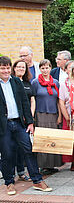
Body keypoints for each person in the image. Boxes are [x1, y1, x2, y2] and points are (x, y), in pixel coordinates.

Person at [0, 56, 52, 195]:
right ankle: (9, 182)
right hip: (3, 126)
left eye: (7, 68)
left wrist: (30, 122)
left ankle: (37, 180)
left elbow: (25, 102)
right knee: (7, 154)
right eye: (2, 68)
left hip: (19, 123)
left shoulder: (16, 81)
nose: (5, 71)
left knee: (29, 149)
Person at [31, 59, 62, 175]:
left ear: (50, 68)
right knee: (43, 140)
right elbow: (32, 99)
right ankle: (43, 165)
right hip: (41, 114)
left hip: (53, 113)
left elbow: (59, 100)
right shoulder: (35, 82)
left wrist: (59, 115)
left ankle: (52, 165)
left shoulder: (56, 82)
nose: (45, 70)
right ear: (40, 69)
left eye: (47, 67)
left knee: (53, 139)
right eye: (42, 68)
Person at [11, 60, 35, 182]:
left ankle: (21, 172)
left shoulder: (27, 83)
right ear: (14, 68)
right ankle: (10, 174)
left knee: (24, 147)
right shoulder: (10, 82)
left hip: (26, 120)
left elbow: (31, 100)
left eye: (23, 67)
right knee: (11, 147)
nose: (21, 69)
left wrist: (29, 116)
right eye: (18, 67)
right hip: (14, 118)